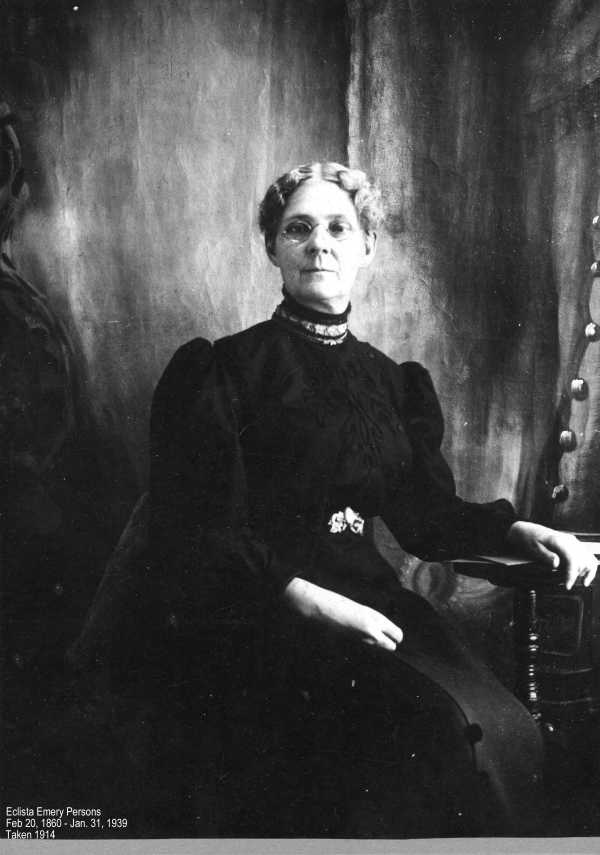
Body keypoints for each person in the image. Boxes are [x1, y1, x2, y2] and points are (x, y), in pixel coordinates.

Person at [149, 161, 598, 837]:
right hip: (264, 613)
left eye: (339, 228)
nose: (318, 244)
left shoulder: (389, 382)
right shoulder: (226, 369)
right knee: (435, 733)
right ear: (272, 247)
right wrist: (313, 601)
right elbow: (201, 532)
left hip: (373, 601)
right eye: (298, 229)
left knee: (500, 728)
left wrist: (520, 532)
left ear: (367, 247)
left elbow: (427, 518)